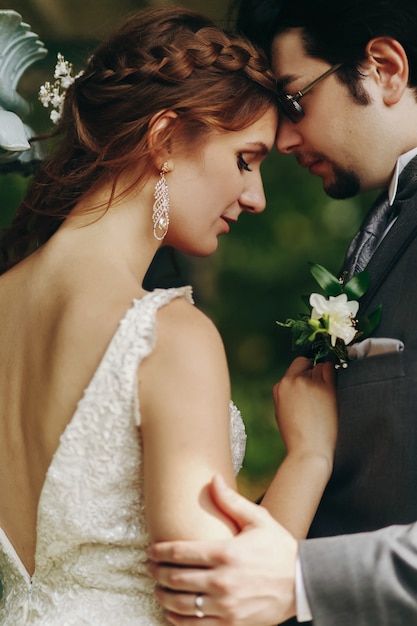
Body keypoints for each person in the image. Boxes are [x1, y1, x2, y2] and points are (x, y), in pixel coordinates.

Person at [0, 6, 339, 624]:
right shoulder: (167, 336)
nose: (256, 197)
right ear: (161, 139)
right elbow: (210, 608)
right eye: (246, 159)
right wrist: (309, 458)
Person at [146, 0, 417, 624]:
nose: (286, 137)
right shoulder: (387, 221)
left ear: (384, 68)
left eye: (295, 100)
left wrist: (301, 579)